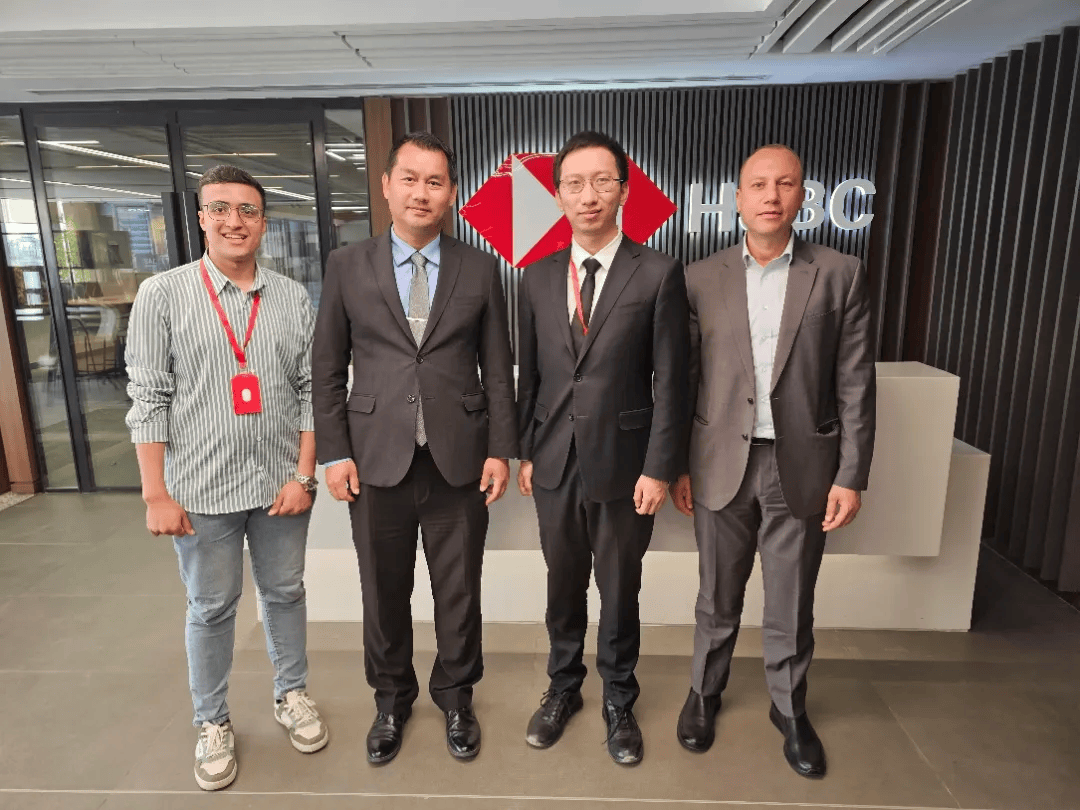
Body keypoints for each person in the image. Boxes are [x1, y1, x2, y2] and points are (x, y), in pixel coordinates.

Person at [312, 132, 517, 765]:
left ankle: (456, 697)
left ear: (451, 192)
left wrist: (501, 449)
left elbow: (497, 368)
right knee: (383, 590)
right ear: (386, 186)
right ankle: (391, 700)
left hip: (459, 458)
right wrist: (333, 452)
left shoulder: (479, 267)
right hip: (375, 459)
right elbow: (327, 368)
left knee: (459, 591)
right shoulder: (347, 264)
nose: (421, 192)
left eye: (435, 181)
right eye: (409, 178)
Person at [671, 144, 876, 778]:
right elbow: (682, 381)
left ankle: (789, 708)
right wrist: (678, 463)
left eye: (785, 184)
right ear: (737, 198)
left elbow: (855, 381)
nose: (771, 195)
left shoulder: (839, 272)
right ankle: (704, 693)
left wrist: (851, 474)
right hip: (718, 464)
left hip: (803, 467)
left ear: (802, 196)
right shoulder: (699, 278)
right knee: (716, 595)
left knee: (791, 599)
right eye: (758, 185)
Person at [125, 165, 328, 792]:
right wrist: (155, 493)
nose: (234, 221)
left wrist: (304, 475)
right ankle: (212, 721)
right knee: (211, 607)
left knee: (285, 593)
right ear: (201, 217)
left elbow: (310, 392)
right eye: (220, 208)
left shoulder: (291, 297)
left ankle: (292, 693)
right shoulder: (162, 294)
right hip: (200, 489)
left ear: (263, 222)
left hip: (278, 485)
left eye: (247, 210)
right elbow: (149, 398)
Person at [516, 130, 689, 766]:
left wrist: (660, 467)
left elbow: (673, 381)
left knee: (619, 588)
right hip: (554, 461)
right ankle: (563, 688)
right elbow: (529, 376)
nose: (588, 195)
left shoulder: (658, 273)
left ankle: (619, 697)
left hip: (625, 464)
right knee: (562, 583)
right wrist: (526, 451)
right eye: (574, 183)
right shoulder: (535, 277)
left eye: (601, 182)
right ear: (558, 194)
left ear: (623, 190)